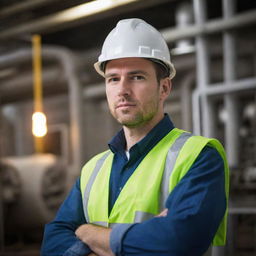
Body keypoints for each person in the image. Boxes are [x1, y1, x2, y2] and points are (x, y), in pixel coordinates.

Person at [41, 18, 229, 256]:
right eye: (113, 79)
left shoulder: (200, 156)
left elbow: (177, 242)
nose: (122, 90)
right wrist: (144, 237)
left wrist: (88, 232)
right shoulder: (93, 169)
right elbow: (53, 241)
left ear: (164, 88)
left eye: (137, 77)